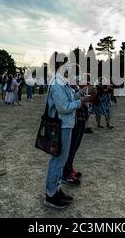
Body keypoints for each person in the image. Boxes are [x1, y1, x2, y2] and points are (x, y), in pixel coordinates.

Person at [43, 54, 94, 209]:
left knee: (61, 160)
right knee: (58, 160)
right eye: (67, 63)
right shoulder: (57, 82)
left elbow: (70, 98)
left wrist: (82, 92)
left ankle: (56, 190)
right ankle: (50, 195)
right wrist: (82, 101)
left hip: (65, 125)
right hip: (60, 126)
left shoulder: (61, 81)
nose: (69, 66)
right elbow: (63, 107)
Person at [62, 76, 91, 187]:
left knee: (75, 147)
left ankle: (70, 168)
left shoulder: (75, 85)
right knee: (71, 148)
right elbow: (71, 101)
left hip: (82, 119)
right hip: (75, 120)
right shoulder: (68, 85)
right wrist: (83, 96)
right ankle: (66, 173)